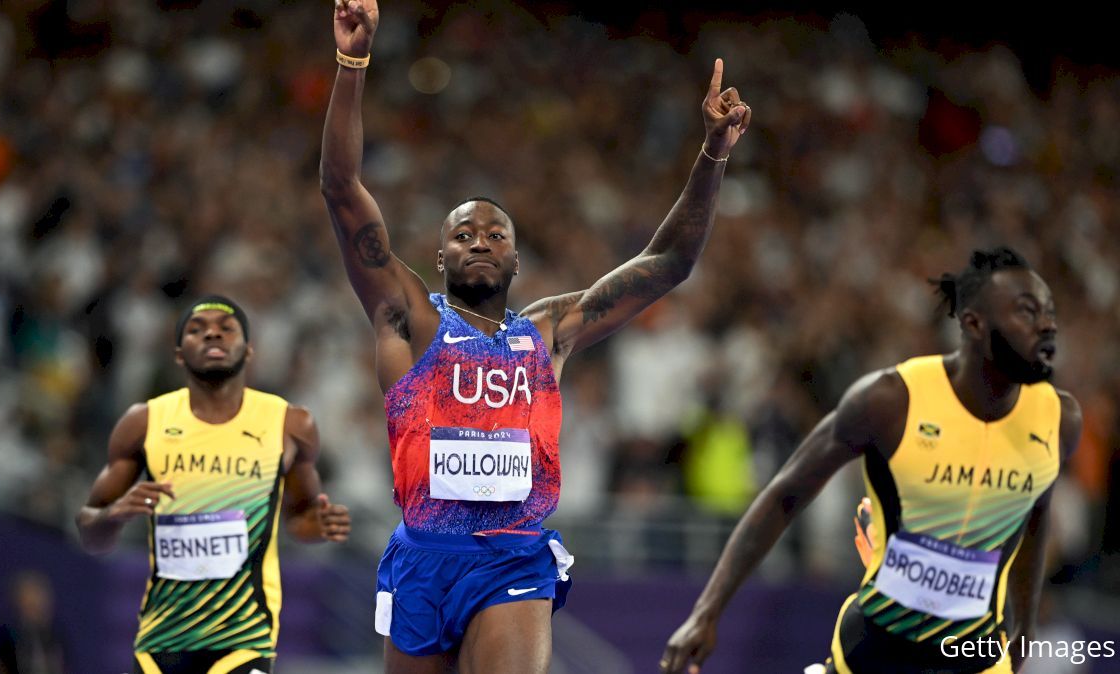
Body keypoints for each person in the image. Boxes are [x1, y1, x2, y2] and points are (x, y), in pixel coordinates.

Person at [319, 1, 751, 671]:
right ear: (439, 259)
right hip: (424, 557)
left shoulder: (549, 332)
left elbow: (669, 264)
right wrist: (352, 62)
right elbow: (342, 189)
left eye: (497, 234)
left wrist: (711, 155)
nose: (481, 241)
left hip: (513, 555)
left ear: (517, 260)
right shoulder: (409, 318)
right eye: (463, 234)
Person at [660, 247, 1082, 674]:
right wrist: (706, 612)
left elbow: (1035, 517)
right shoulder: (891, 400)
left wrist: (1025, 631)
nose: (1047, 326)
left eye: (1049, 312)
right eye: (1027, 312)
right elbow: (785, 494)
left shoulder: (1058, 420)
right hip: (876, 651)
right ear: (974, 323)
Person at [76, 295, 351, 674]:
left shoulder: (289, 424)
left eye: (226, 329)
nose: (212, 335)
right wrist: (112, 515)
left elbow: (300, 517)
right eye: (197, 329)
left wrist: (316, 526)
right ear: (178, 354)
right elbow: (91, 536)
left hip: (243, 637)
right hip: (163, 638)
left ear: (249, 350)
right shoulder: (144, 423)